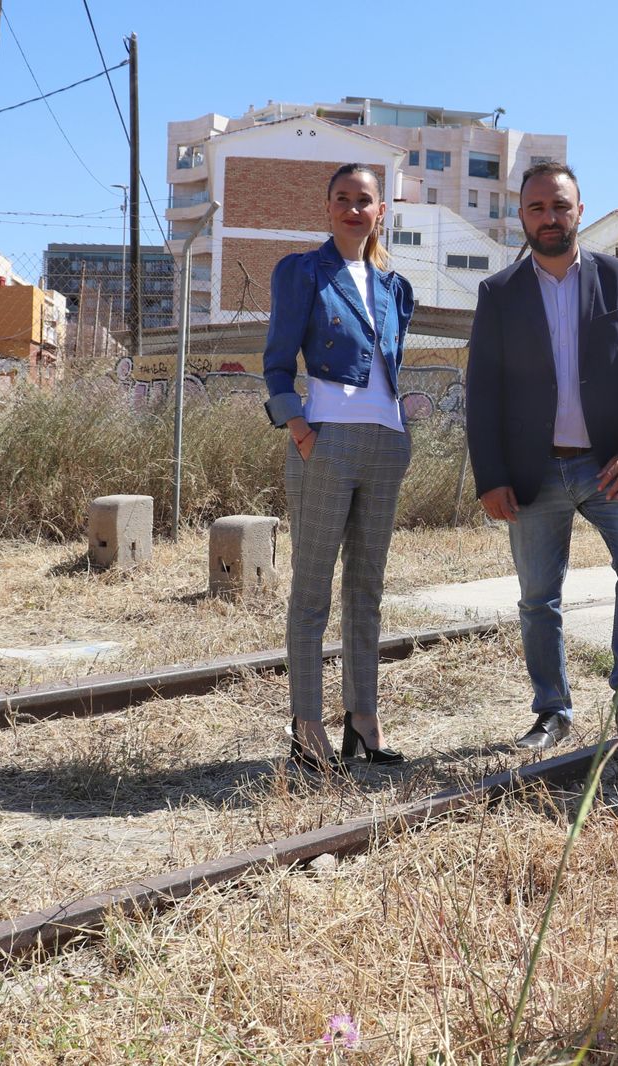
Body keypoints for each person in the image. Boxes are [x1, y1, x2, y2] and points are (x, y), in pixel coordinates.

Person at [465, 162, 618, 753]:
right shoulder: (498, 294)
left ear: (579, 212)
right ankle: (552, 712)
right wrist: (490, 477)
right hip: (532, 473)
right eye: (537, 208)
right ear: (522, 215)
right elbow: (483, 392)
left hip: (609, 466)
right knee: (539, 597)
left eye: (560, 207)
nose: (549, 218)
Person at [263, 163, 414, 771]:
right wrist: (298, 427)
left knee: (367, 592)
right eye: (343, 199)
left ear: (382, 211)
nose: (355, 209)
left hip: (388, 442)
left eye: (366, 200)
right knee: (311, 594)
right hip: (326, 441)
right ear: (328, 209)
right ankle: (306, 727)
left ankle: (364, 721)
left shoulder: (396, 286)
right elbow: (275, 362)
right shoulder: (302, 272)